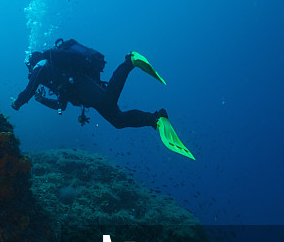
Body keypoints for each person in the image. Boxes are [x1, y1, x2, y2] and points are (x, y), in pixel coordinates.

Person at [12, 38, 194, 159]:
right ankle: (156, 119)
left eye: (29, 69)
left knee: (109, 102)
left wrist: (16, 104)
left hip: (84, 87)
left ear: (32, 62)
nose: (30, 73)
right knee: (118, 120)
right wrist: (41, 100)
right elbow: (62, 105)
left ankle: (129, 61)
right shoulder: (54, 74)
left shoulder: (41, 66)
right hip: (86, 94)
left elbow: (28, 90)